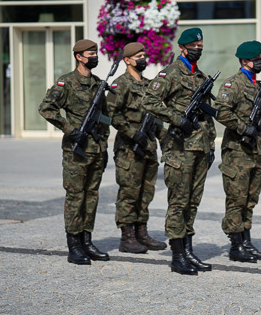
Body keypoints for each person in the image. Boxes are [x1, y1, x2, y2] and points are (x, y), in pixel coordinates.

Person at [142, 28, 217, 275]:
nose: (199, 49)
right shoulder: (170, 73)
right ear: (183, 48)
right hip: (180, 149)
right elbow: (149, 101)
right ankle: (177, 255)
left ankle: (188, 250)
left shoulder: (201, 76)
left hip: (200, 148)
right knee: (179, 202)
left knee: (192, 202)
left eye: (201, 45)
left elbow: (207, 115)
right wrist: (176, 118)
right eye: (194, 45)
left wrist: (212, 144)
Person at [38, 39, 111, 265]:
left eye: (95, 53)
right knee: (75, 197)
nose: (94, 57)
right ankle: (74, 246)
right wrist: (70, 130)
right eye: (90, 53)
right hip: (76, 152)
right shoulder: (66, 82)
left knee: (91, 196)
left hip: (96, 150)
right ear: (79, 56)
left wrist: (104, 144)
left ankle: (87, 241)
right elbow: (46, 108)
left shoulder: (98, 83)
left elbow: (106, 118)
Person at [214, 40, 261, 263]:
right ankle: (236, 246)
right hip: (237, 152)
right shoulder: (233, 85)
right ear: (244, 61)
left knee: (250, 199)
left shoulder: (257, 86)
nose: (260, 62)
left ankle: (247, 242)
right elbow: (221, 112)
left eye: (260, 58)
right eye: (256, 59)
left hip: (254, 150)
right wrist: (243, 127)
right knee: (236, 199)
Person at [106, 42, 167, 254]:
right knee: (129, 193)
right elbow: (111, 115)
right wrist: (133, 133)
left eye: (144, 55)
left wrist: (164, 139)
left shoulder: (150, 85)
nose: (143, 58)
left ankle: (142, 233)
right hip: (129, 148)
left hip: (148, 147)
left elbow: (157, 117)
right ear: (128, 60)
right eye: (138, 56)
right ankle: (127, 237)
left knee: (146, 191)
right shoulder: (119, 84)